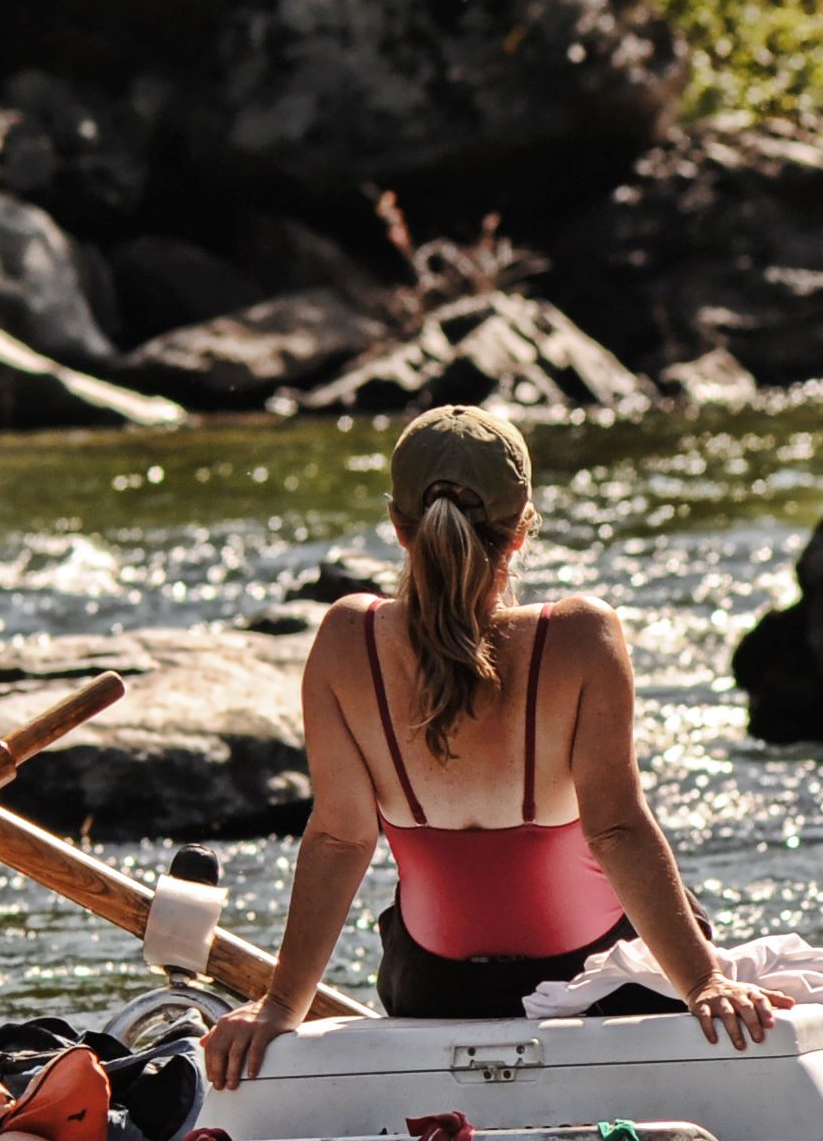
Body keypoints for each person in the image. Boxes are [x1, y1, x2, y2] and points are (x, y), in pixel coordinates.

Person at [202, 406, 782, 1087]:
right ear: (523, 530)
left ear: (398, 527)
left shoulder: (346, 639)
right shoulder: (580, 637)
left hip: (433, 992)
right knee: (669, 897)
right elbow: (617, 830)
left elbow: (339, 839)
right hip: (598, 987)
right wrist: (705, 982)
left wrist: (279, 1006)